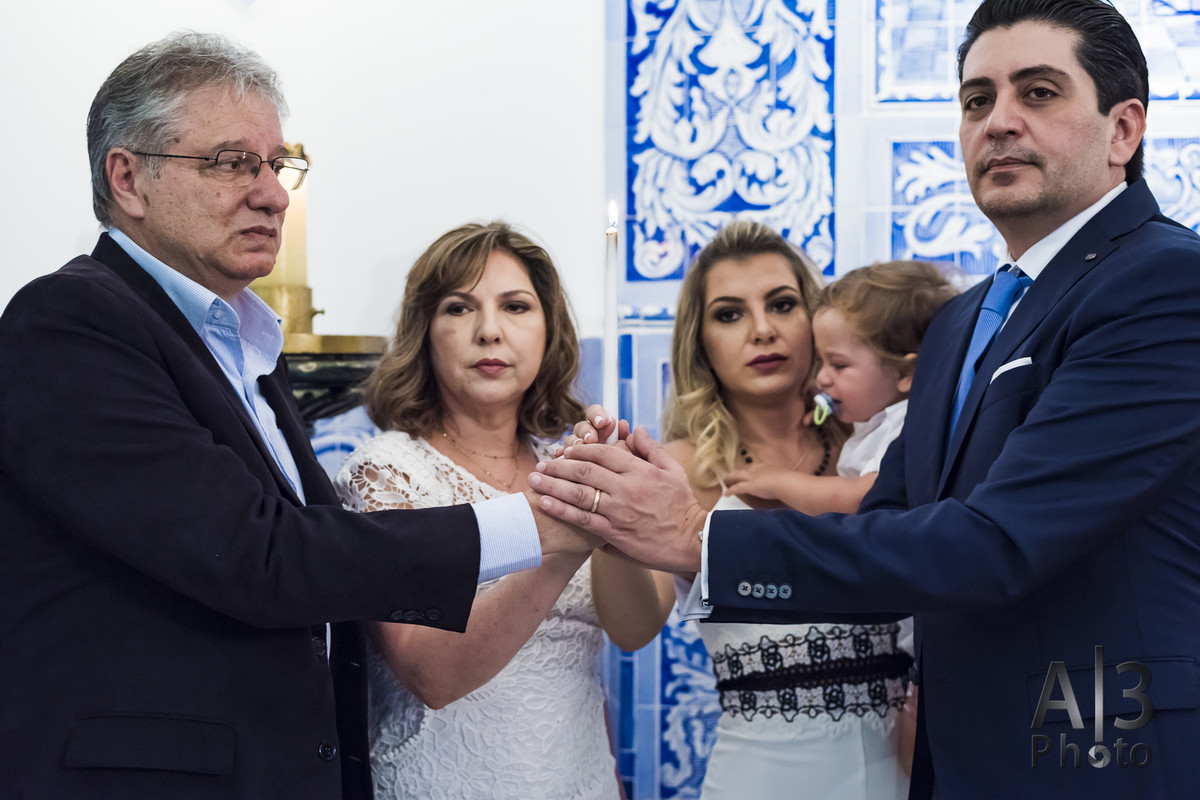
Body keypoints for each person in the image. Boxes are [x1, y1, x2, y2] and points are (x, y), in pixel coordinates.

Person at [532, 1, 1200, 796]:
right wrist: (638, 501)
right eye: (977, 99)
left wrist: (696, 534)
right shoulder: (959, 322)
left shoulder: (1163, 282)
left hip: (1100, 749)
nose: (999, 122)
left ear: (1124, 129)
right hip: (956, 763)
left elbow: (998, 543)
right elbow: (889, 523)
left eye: (1041, 92)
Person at [0, 34, 592, 800]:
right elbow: (259, 555)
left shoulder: (245, 349)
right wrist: (539, 527)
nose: (275, 194)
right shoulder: (69, 323)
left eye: (276, 165)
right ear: (128, 178)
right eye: (231, 162)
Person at [334, 222, 673, 799]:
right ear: (425, 331)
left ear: (549, 331)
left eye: (515, 306)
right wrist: (561, 539)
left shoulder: (577, 465)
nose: (489, 331)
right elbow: (432, 676)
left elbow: (635, 629)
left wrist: (608, 521)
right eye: (460, 309)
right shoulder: (383, 476)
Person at [656, 223, 911, 799]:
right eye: (729, 314)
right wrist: (607, 524)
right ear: (701, 343)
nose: (763, 330)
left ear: (816, 319)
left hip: (911, 766)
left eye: (782, 304)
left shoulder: (880, 448)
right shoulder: (683, 469)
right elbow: (629, 628)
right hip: (766, 777)